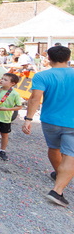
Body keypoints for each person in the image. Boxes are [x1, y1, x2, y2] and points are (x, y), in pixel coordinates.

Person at [22, 46, 74, 207]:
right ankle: (57, 191)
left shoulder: (41, 75)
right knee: (70, 155)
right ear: (68, 58)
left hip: (50, 120)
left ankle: (60, 174)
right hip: (72, 122)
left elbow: (34, 98)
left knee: (54, 148)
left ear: (48, 58)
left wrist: (28, 119)